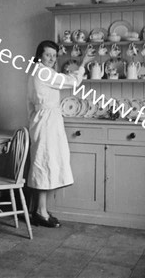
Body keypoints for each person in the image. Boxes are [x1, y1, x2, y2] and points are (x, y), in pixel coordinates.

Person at [26, 40, 94, 227]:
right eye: (48, 55)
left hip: (45, 121)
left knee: (46, 163)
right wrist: (83, 63)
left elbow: (33, 103)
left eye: (54, 56)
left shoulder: (38, 71)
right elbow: (71, 81)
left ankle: (40, 210)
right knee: (44, 163)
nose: (51, 58)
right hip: (47, 122)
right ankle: (40, 212)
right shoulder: (42, 71)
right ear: (40, 55)